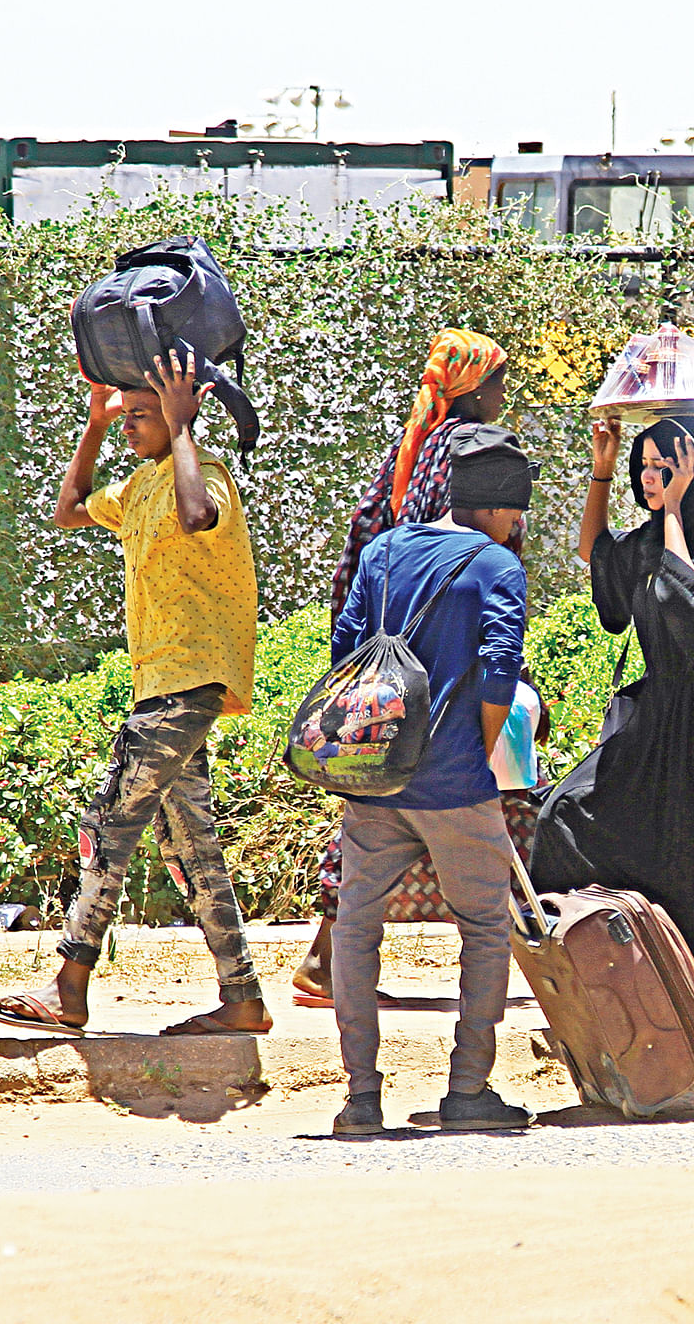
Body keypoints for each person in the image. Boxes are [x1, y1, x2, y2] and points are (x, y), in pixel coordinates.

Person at [0, 351, 269, 1038]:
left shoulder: (202, 477)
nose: (133, 426)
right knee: (190, 844)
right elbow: (70, 509)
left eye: (143, 416)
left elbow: (197, 514)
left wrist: (180, 428)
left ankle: (69, 986)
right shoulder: (138, 487)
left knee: (108, 823)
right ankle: (243, 998)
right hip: (161, 683)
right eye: (130, 416)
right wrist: (93, 423)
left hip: (190, 679)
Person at [326, 423, 536, 1136]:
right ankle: (467, 1090)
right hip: (454, 784)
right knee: (484, 927)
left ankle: (360, 1100)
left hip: (375, 777)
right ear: (499, 506)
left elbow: (345, 649)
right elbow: (500, 674)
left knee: (356, 926)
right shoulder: (497, 566)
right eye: (517, 513)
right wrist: (473, 760)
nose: (516, 526)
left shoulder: (385, 550)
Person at [294, 329, 511, 1006]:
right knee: (445, 801)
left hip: (387, 645)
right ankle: (334, 964)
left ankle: (332, 959)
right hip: (438, 652)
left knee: (381, 802)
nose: (506, 393)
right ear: (474, 389)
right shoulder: (464, 449)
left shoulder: (416, 441)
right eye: (500, 380)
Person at [547, 415, 694, 1079]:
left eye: (667, 462)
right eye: (647, 462)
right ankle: (607, 1002)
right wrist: (603, 468)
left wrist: (674, 510)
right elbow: (599, 563)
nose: (651, 473)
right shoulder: (647, 537)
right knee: (565, 819)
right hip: (654, 718)